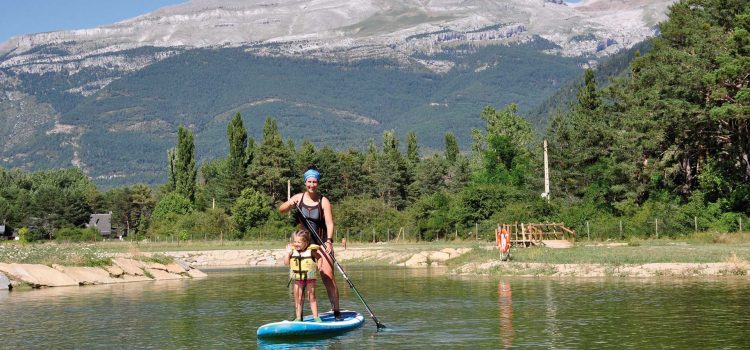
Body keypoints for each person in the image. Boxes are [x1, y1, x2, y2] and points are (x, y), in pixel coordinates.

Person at [279, 165, 341, 319]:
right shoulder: (298, 198)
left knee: (328, 277)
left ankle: (337, 312)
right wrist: (289, 205)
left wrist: (329, 241)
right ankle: (298, 316)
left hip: (321, 244)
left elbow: (330, 223)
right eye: (309, 182)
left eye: (315, 182)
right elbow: (281, 209)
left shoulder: (323, 201)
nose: (312, 185)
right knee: (299, 280)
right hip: (302, 246)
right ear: (305, 182)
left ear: (318, 183)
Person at [284, 229, 322, 322]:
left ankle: (316, 317)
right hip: (297, 279)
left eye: (299, 242)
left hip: (309, 278)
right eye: (295, 241)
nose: (296, 244)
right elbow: (286, 263)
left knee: (311, 297)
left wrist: (319, 267)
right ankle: (298, 318)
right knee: (298, 298)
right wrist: (287, 254)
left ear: (306, 242)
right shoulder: (292, 252)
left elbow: (319, 257)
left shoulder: (311, 251)